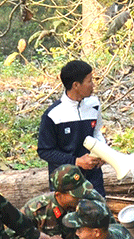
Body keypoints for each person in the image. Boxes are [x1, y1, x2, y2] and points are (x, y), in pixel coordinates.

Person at [24, 165, 104, 239]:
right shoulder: (36, 209)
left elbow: (108, 230)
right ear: (58, 195)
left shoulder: (92, 201)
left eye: (82, 190)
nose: (81, 196)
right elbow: (14, 238)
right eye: (76, 194)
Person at [38, 59, 107, 194]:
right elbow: (44, 151)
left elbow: (97, 132)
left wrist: (102, 153)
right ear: (76, 85)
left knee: (99, 213)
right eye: (89, 81)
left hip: (94, 179)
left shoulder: (94, 105)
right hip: (66, 183)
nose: (93, 85)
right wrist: (76, 161)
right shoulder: (53, 115)